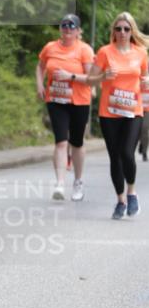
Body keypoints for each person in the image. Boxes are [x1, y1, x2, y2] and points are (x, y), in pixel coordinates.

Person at [87, 12, 149, 218]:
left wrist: (146, 81)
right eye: (118, 29)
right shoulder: (105, 52)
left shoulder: (140, 53)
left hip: (133, 111)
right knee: (115, 157)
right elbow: (89, 79)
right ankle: (120, 200)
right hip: (109, 112)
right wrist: (103, 76)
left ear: (132, 31)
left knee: (127, 153)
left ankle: (132, 193)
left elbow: (145, 75)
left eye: (126, 29)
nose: (122, 32)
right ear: (113, 31)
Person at [36, 14, 94, 201]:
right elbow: (40, 67)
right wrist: (40, 84)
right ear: (60, 29)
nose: (67, 29)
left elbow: (92, 78)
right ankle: (60, 183)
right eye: (64, 25)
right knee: (61, 141)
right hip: (56, 100)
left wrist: (70, 76)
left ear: (78, 31)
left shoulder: (84, 50)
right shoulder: (50, 47)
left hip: (79, 101)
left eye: (72, 26)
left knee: (76, 143)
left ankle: (78, 181)